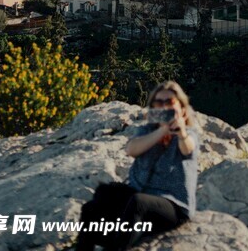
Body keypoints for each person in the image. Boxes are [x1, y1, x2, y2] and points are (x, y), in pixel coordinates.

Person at [76, 81, 199, 251]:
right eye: (159, 102)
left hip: (173, 206)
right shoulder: (148, 130)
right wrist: (162, 131)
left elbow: (188, 149)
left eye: (169, 102)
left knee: (138, 202)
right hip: (141, 193)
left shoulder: (188, 134)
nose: (164, 107)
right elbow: (132, 149)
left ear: (182, 108)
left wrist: (180, 131)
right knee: (100, 197)